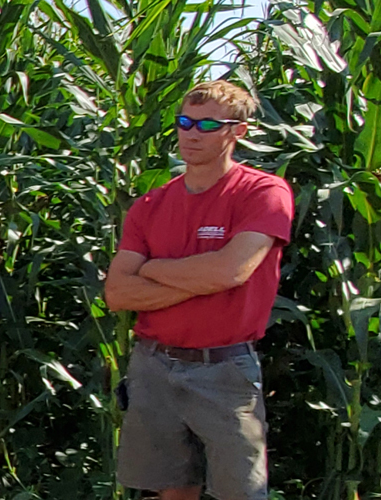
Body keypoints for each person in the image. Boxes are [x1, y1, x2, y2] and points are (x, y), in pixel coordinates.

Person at [104, 80, 292, 500]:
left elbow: (231, 271)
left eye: (208, 124)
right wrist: (202, 278)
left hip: (224, 369)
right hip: (153, 365)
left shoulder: (263, 192)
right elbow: (117, 294)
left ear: (237, 131)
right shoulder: (151, 205)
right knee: (171, 490)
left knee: (241, 493)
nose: (191, 133)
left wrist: (152, 269)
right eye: (185, 122)